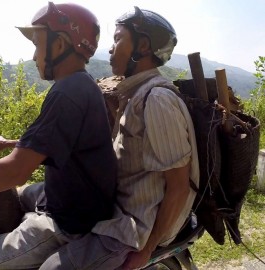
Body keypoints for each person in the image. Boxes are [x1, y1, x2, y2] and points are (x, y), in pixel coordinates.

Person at [39, 6, 200, 270]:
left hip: (133, 229)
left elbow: (179, 186)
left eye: (117, 39)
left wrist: (146, 250)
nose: (111, 48)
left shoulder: (157, 101)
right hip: (117, 211)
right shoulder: (135, 95)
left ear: (144, 46)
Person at [0, 2, 117, 269]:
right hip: (73, 198)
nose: (35, 56)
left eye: (37, 45)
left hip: (69, 221)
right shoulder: (81, 85)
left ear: (59, 45)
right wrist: (12, 144)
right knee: (13, 195)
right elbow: (54, 142)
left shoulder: (67, 93)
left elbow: (16, 171)